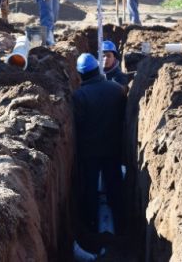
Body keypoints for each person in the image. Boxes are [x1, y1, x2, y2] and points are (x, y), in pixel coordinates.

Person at [72, 53, 126, 235]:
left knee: (90, 187)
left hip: (89, 151)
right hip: (113, 148)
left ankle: (91, 224)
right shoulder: (117, 89)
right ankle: (120, 220)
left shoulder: (79, 96)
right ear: (97, 69)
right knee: (114, 183)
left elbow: (77, 123)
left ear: (80, 74)